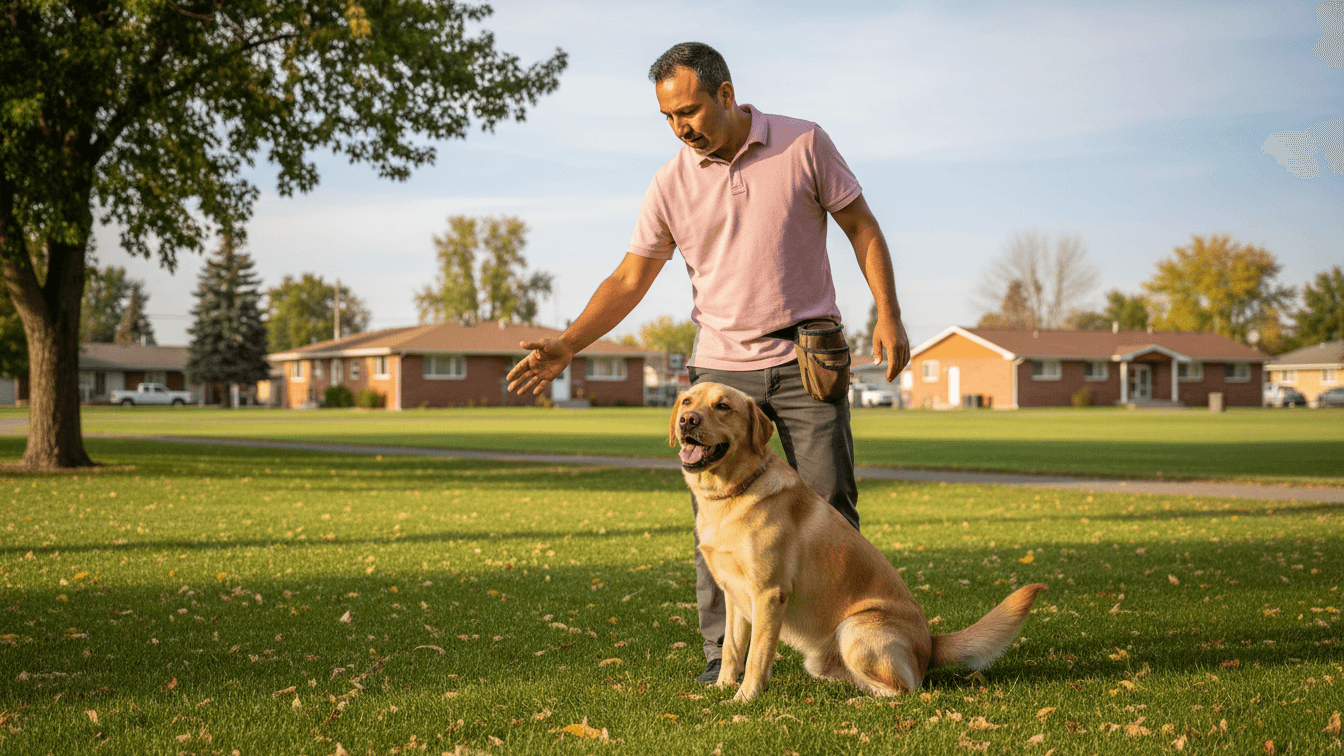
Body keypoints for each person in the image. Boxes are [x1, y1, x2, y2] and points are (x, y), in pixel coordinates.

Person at [506, 42, 911, 683]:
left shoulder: (804, 143)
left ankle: (834, 653)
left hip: (808, 357)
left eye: (690, 110)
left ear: (727, 95)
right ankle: (723, 660)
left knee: (829, 505)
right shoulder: (670, 181)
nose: (680, 127)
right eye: (668, 116)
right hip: (721, 366)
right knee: (717, 520)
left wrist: (887, 312)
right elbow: (631, 276)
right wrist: (570, 341)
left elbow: (861, 225)